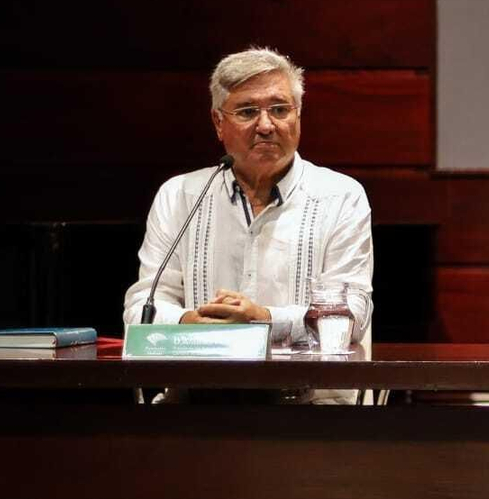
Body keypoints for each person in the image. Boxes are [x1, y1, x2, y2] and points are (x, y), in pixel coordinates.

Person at [123, 47, 374, 402]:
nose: (267, 125)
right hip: (196, 403)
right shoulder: (180, 195)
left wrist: (261, 320)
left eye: (280, 109)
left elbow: (350, 316)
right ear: (218, 123)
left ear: (298, 116)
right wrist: (196, 325)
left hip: (311, 408)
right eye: (247, 111)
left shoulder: (340, 197)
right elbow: (140, 311)